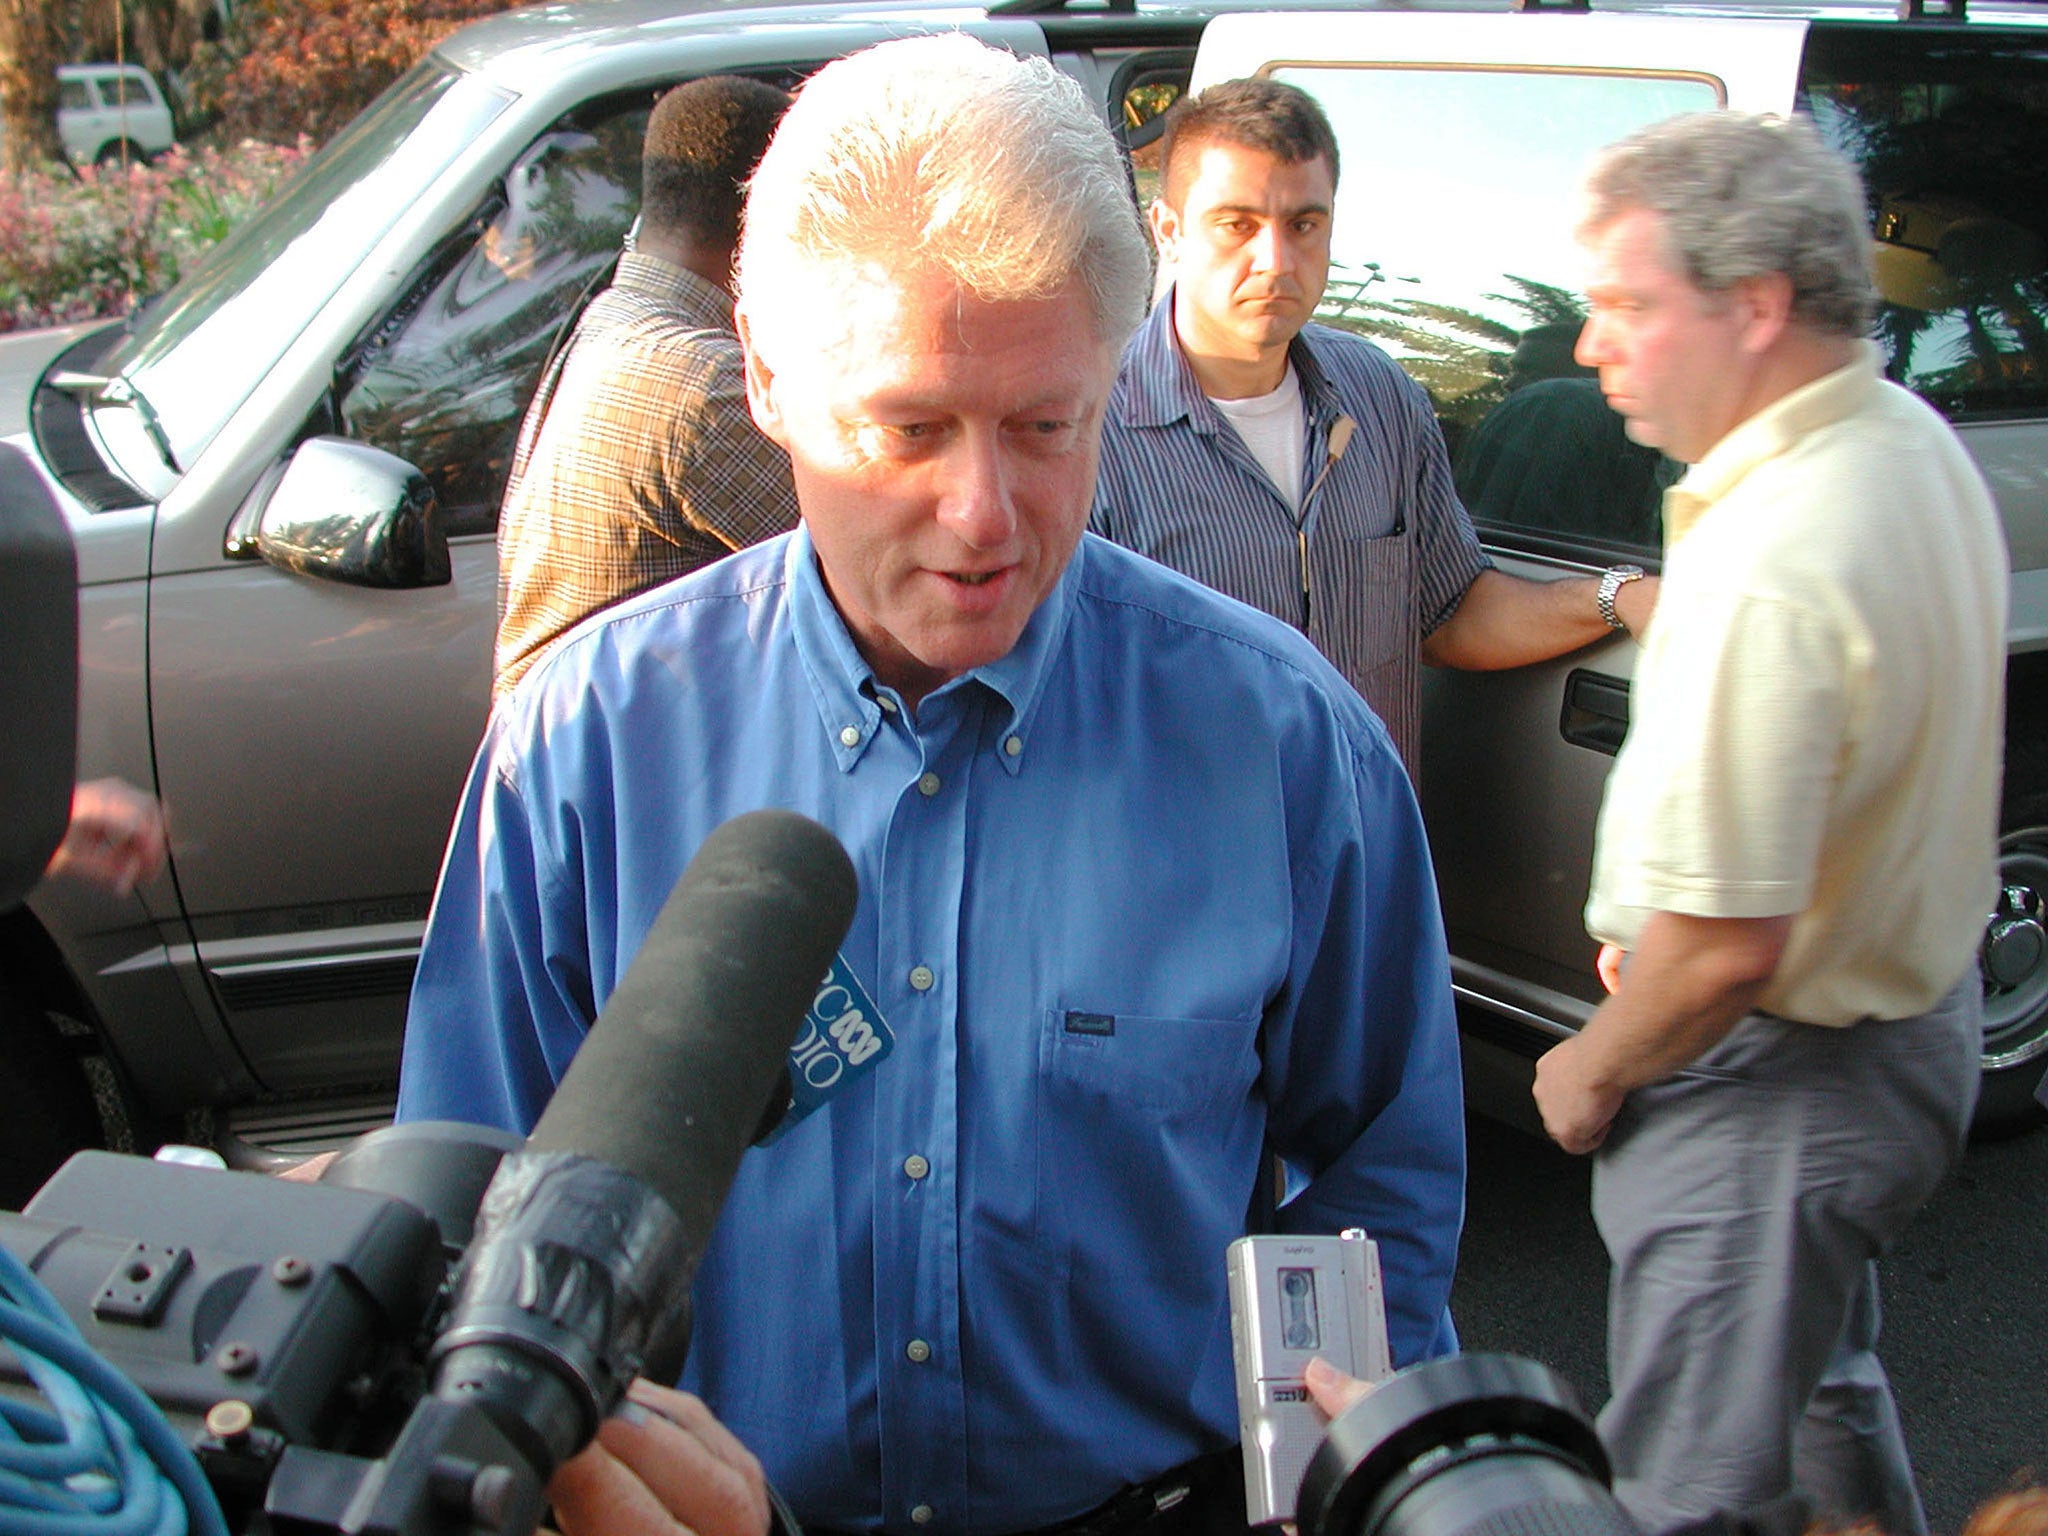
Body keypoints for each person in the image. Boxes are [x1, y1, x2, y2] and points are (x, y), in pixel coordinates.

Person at [400, 33, 1464, 1536]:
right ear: (765, 376)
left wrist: (1337, 1482)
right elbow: (463, 1204)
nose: (982, 517)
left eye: (1049, 427)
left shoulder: (1291, 748)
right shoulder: (588, 746)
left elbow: (1382, 1186)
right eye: (906, 429)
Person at [1530, 113, 2005, 1536]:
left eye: (1626, 305)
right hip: (1902, 1044)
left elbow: (1728, 948)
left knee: (1686, 1490)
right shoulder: (1902, 440)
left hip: (1772, 1090)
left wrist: (1590, 1074)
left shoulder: (1775, 560)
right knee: (1815, 1386)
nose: (1588, 346)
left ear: (1754, 307)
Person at [1091, 78, 1657, 777]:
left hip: (1371, 859)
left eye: (1303, 224)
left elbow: (1451, 616)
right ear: (1168, 230)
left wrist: (1617, 597)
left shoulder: (1380, 397)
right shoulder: (1089, 431)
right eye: (1237, 224)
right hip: (1194, 875)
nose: (1275, 260)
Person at [493, 74, 799, 695]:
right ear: (768, 222)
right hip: (616, 768)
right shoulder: (706, 383)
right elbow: (889, 569)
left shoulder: (614, 322)